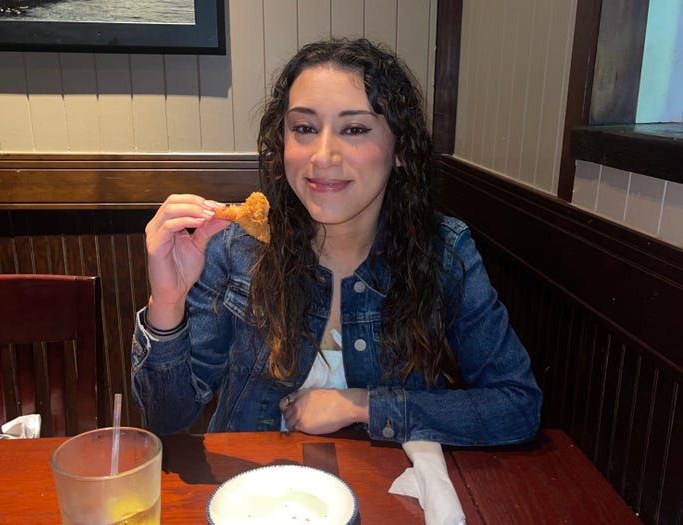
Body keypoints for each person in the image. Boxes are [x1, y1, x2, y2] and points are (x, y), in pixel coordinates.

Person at [131, 38, 542, 446]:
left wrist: (362, 406)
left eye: (355, 129)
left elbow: (517, 406)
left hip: (387, 493)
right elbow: (166, 418)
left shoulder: (444, 252)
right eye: (304, 128)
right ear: (283, 141)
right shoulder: (235, 246)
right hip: (252, 494)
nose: (323, 155)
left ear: (400, 148)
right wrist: (167, 303)